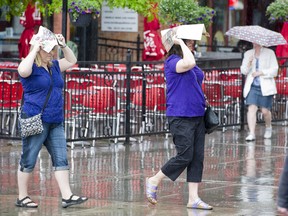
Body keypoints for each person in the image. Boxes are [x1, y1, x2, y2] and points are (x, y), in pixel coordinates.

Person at [16, 26, 88, 208]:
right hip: (35, 118)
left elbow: (72, 60)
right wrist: (34, 48)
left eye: (53, 50)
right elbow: (22, 71)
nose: (52, 53)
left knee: (61, 157)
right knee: (29, 158)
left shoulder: (55, 66)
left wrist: (63, 45)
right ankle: (22, 196)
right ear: (40, 49)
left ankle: (67, 196)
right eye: (49, 49)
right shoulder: (30, 66)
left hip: (55, 119)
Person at [146, 35, 212, 210]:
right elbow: (189, 64)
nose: (193, 46)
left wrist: (201, 96)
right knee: (185, 154)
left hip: (197, 114)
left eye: (192, 43)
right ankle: (154, 180)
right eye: (190, 43)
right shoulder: (172, 61)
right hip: (180, 115)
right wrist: (182, 43)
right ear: (178, 45)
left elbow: (195, 78)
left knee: (197, 157)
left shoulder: (188, 59)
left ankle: (193, 198)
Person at [240, 43, 278, 141]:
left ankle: (268, 126)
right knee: (251, 108)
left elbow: (275, 70)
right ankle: (251, 133)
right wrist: (249, 63)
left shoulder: (270, 53)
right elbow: (244, 71)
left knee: (265, 111)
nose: (255, 43)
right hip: (252, 86)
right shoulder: (248, 53)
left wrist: (261, 72)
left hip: (265, 87)